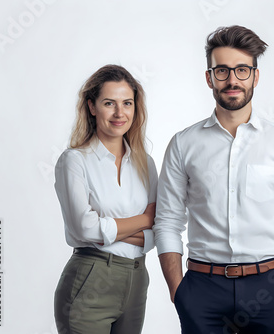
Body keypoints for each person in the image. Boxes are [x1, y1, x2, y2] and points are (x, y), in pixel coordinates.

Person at [154, 25, 274, 334]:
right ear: (209, 78)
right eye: (222, 71)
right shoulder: (183, 143)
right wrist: (179, 293)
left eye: (242, 70)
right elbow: (168, 221)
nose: (232, 80)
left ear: (256, 76)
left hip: (269, 287)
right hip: (202, 288)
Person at [54, 64, 157, 334]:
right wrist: (144, 220)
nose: (119, 113)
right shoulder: (75, 161)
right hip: (91, 278)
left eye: (127, 103)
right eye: (109, 103)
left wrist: (109, 229)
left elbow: (159, 229)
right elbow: (84, 228)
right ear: (91, 106)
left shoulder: (146, 163)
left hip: (137, 280)